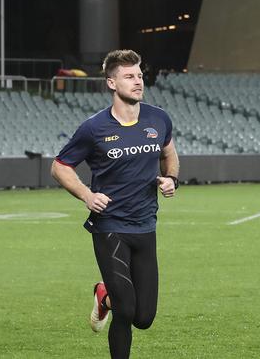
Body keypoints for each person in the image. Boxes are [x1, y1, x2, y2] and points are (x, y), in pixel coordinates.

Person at [51, 49, 179, 359]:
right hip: (110, 227)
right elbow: (60, 167)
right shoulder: (94, 128)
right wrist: (87, 194)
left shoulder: (158, 118)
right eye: (129, 77)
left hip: (146, 226)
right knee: (126, 310)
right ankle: (114, 303)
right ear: (111, 82)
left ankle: (103, 295)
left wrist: (171, 177)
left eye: (139, 75)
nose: (137, 82)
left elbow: (168, 153)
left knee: (144, 318)